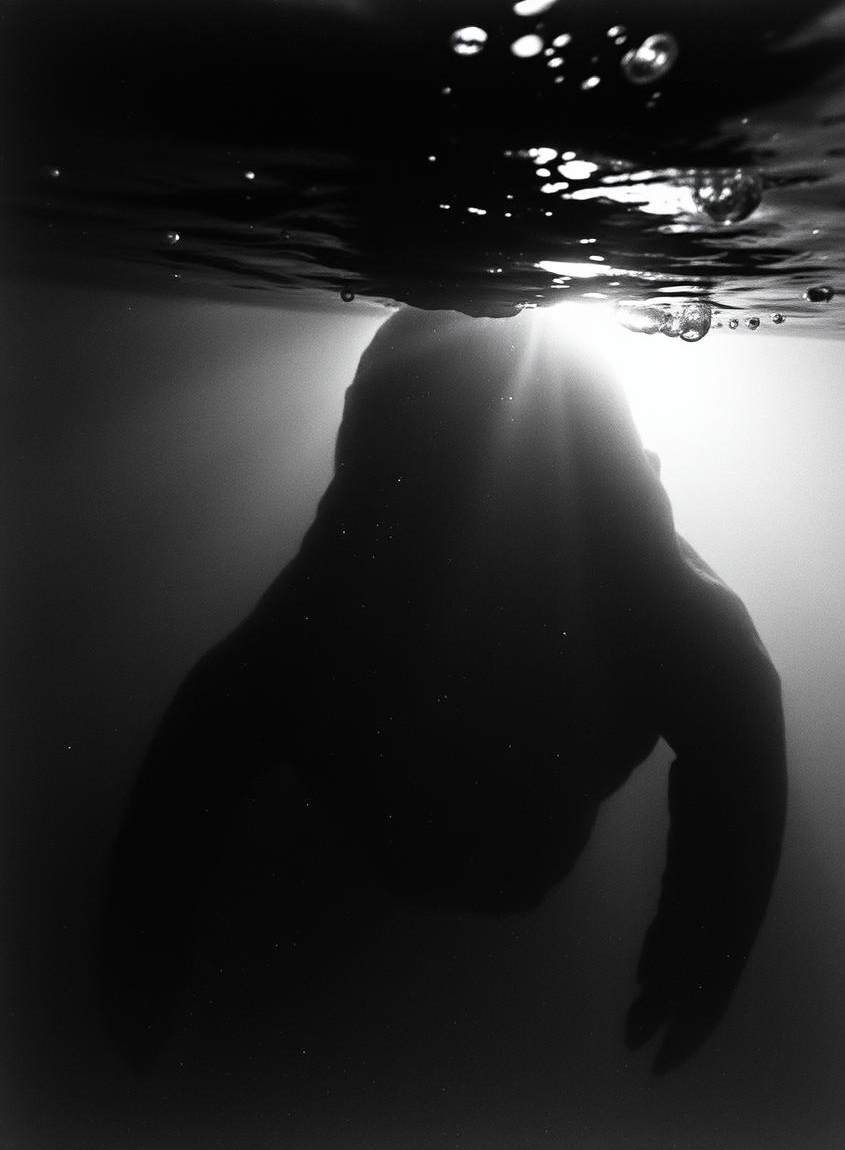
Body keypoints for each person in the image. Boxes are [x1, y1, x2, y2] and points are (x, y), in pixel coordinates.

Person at [99, 306, 786, 1075]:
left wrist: (142, 942)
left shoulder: (330, 611)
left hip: (435, 491)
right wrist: (709, 938)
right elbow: (738, 713)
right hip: (471, 474)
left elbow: (202, 737)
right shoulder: (640, 586)